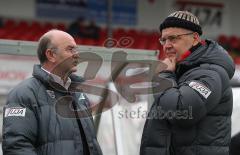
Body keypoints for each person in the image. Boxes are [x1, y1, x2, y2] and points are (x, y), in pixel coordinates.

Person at [140, 11, 235, 155]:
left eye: (173, 38)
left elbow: (181, 112)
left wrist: (163, 76)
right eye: (163, 40)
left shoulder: (210, 72)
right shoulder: (180, 71)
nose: (166, 45)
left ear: (195, 38)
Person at [2, 29, 103, 155]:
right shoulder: (24, 93)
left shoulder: (79, 94)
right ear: (51, 55)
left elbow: (91, 144)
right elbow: (17, 147)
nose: (77, 54)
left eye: (76, 49)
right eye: (70, 49)